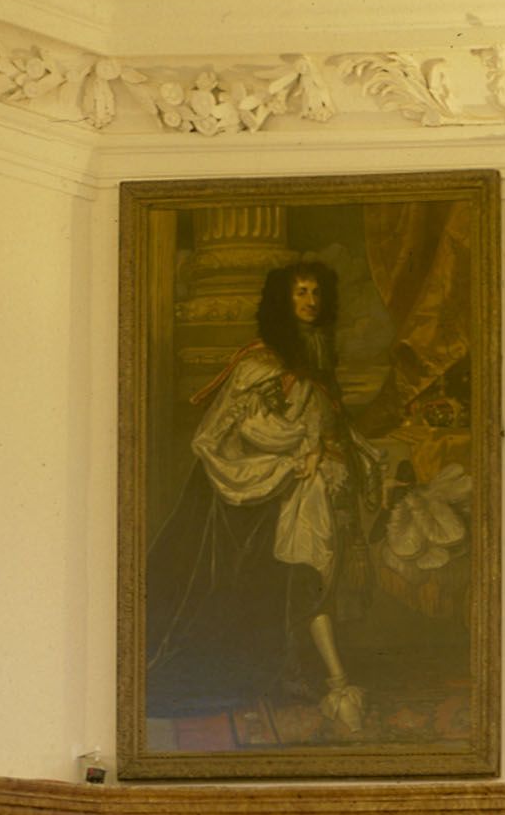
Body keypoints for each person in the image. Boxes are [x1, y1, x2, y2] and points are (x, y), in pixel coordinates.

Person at [143, 259, 378, 736]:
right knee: (287, 571)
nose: (310, 301)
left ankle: (311, 676)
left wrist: (323, 453)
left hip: (295, 488)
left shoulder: (313, 362)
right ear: (281, 302)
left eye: (316, 292)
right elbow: (235, 431)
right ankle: (330, 682)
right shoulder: (259, 364)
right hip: (249, 496)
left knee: (310, 567)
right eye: (300, 293)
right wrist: (296, 454)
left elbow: (327, 427)